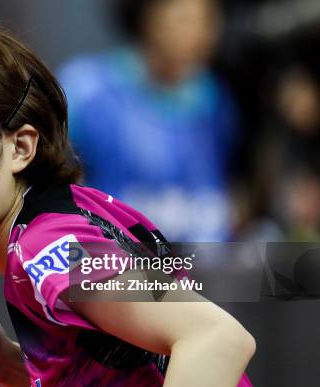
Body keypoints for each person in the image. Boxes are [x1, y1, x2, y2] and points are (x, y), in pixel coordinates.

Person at [0, 16, 262, 387]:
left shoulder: (51, 250)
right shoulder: (72, 214)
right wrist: (8, 365)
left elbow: (214, 338)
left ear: (20, 148)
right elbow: (133, 386)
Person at [58, 0, 238, 242]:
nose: (200, 34)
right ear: (148, 19)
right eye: (184, 19)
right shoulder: (86, 88)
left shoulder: (214, 98)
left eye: (208, 21)